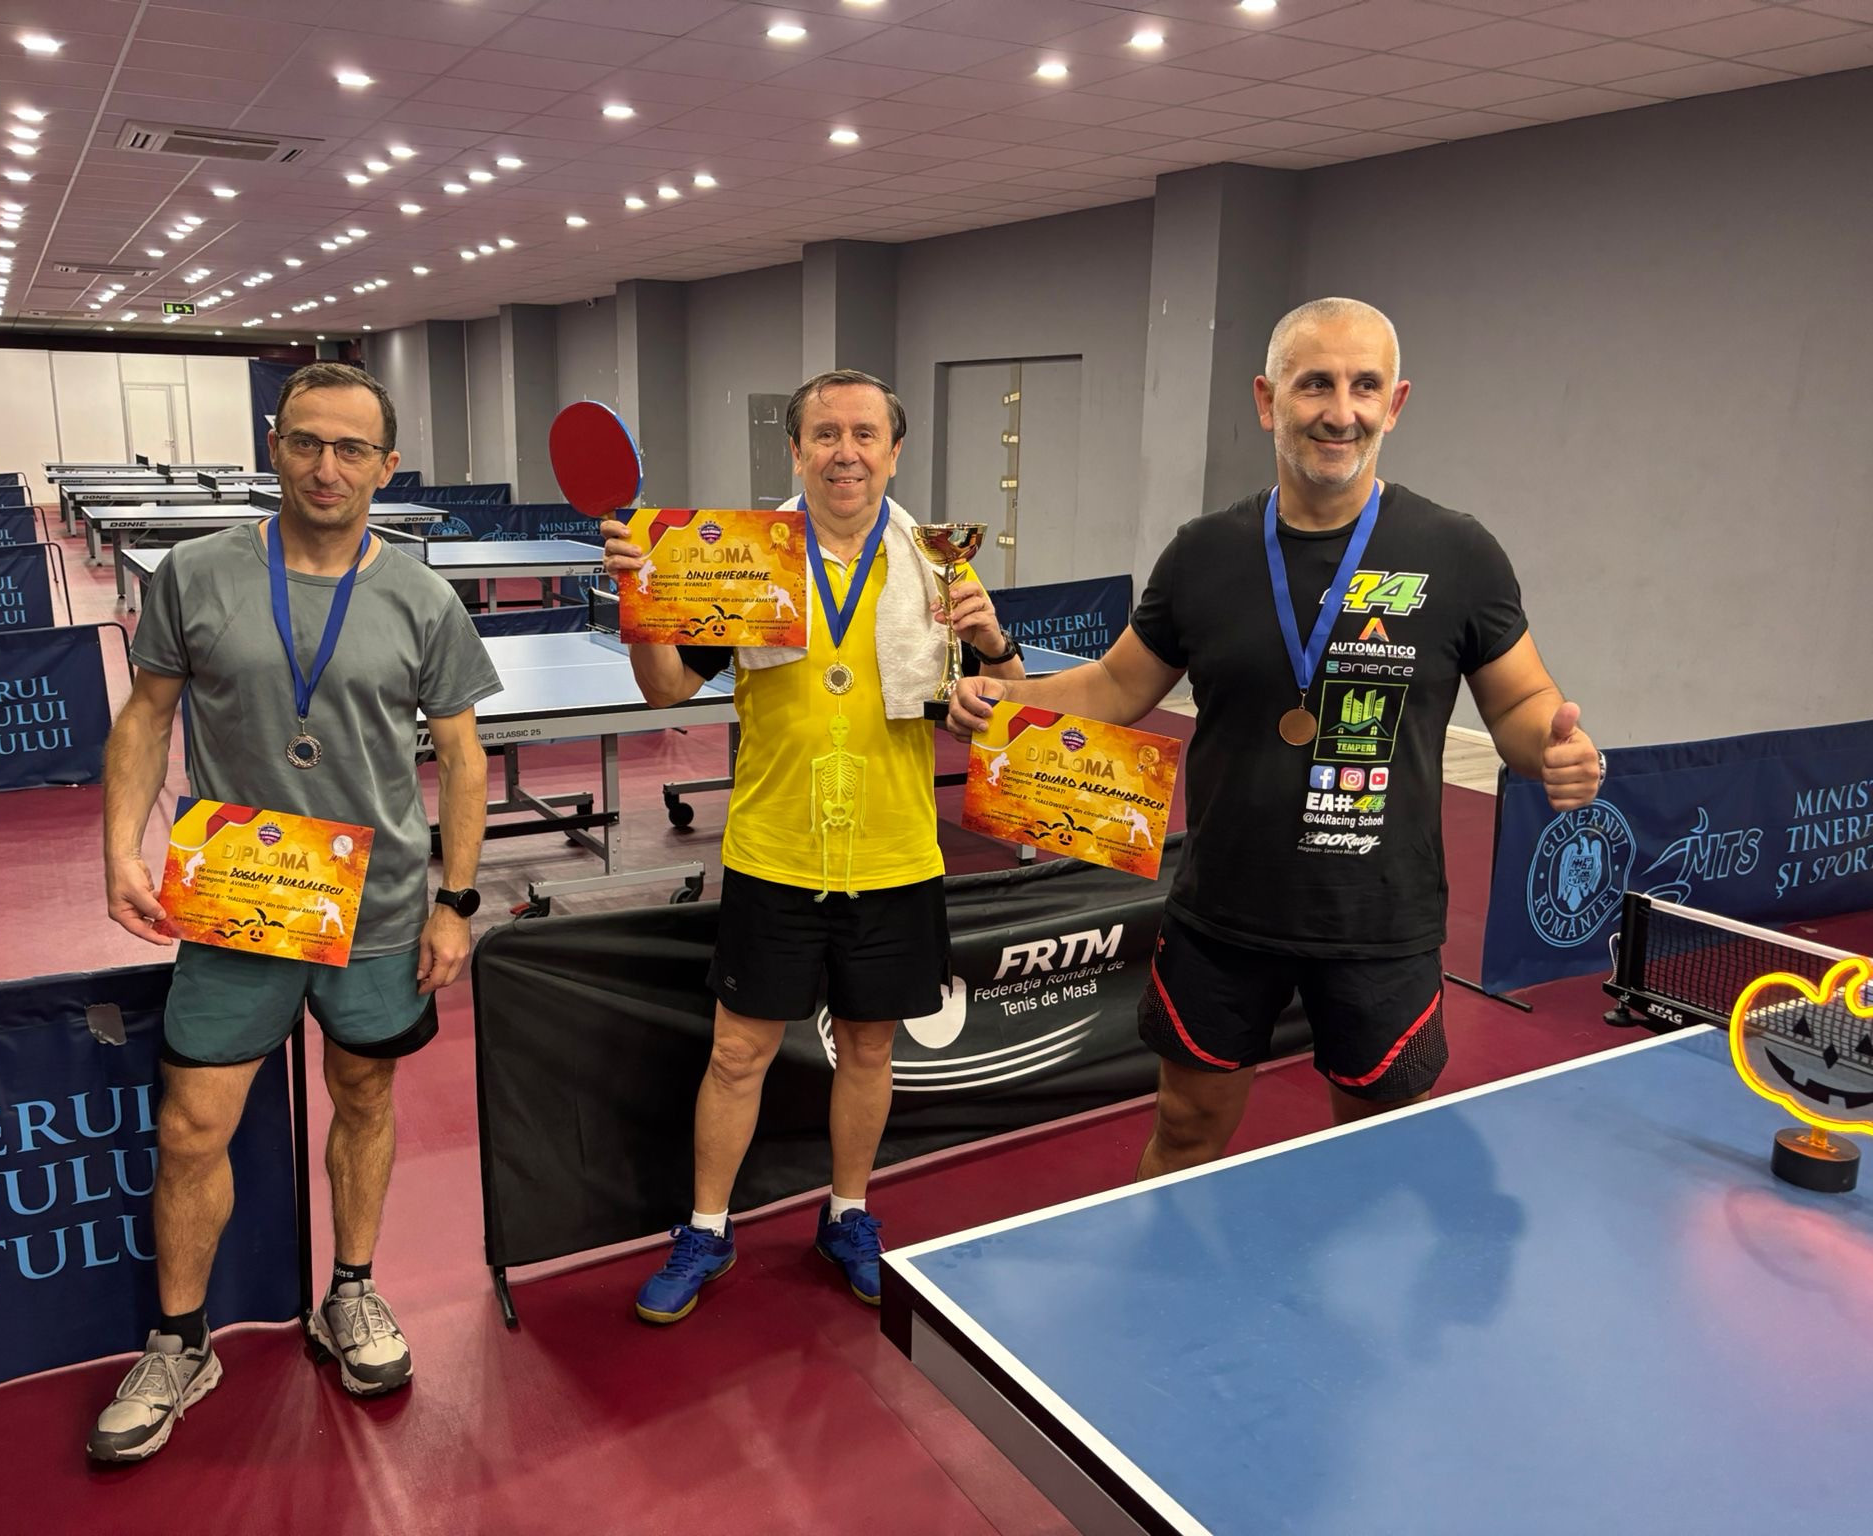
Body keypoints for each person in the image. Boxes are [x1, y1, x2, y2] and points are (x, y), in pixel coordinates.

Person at [947, 298, 1603, 1178]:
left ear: (1396, 402)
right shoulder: (1204, 552)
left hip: (1380, 919)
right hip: (1225, 909)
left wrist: (1549, 749)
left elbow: (1521, 698)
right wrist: (1009, 697)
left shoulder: (1458, 552)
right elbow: (1116, 685)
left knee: (1376, 1157)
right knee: (1185, 1130)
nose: (1342, 411)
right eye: (1315, 384)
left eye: (1365, 386)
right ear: (1267, 400)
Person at [88, 362, 500, 1462]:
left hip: (378, 905)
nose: (327, 466)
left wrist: (456, 903)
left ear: (386, 465)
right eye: (307, 442)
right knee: (193, 1125)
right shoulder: (197, 573)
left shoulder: (421, 597)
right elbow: (146, 716)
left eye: (351, 448)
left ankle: (349, 1291)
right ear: (275, 447)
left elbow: (463, 761)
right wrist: (119, 846)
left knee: (362, 1096)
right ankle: (181, 1341)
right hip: (239, 896)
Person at [600, 368, 1023, 1323]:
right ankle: (707, 1228)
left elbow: (1007, 707)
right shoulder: (747, 558)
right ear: (795, 451)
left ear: (894, 451)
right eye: (825, 434)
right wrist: (639, 599)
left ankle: (847, 1214)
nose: (846, 452)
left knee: (869, 1050)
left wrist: (994, 650)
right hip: (775, 852)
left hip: (896, 854)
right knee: (736, 1054)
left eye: (865, 434)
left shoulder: (942, 563)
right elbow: (666, 689)